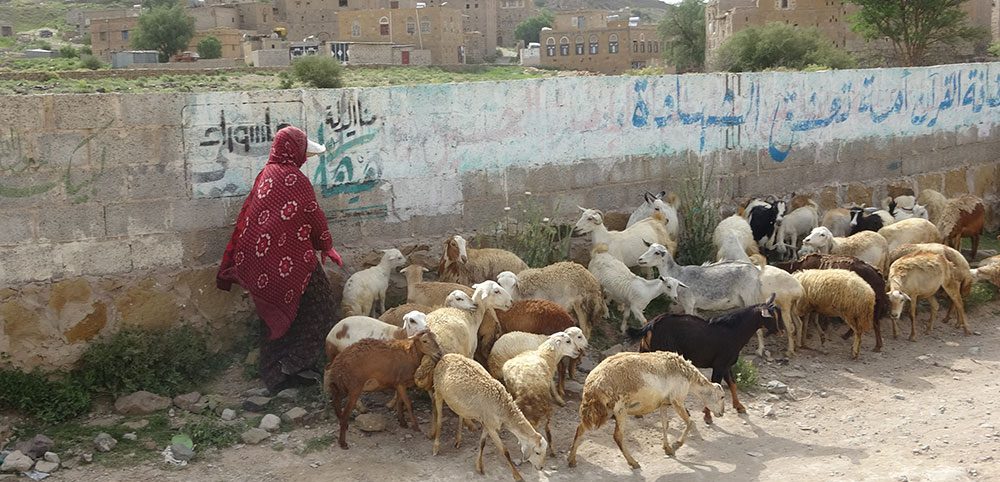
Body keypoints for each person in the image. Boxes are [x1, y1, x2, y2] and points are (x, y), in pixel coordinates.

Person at [217, 124, 343, 392]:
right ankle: (294, 367)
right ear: (294, 151)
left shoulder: (267, 173)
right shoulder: (293, 178)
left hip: (264, 264)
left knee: (276, 320)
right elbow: (313, 214)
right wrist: (327, 246)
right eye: (303, 151)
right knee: (319, 309)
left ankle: (275, 374)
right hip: (291, 262)